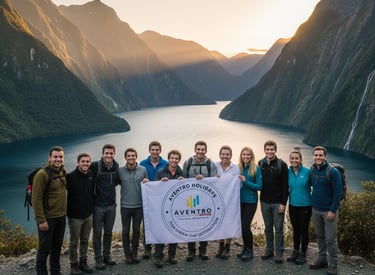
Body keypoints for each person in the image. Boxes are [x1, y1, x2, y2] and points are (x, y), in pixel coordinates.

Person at [32, 146, 67, 275]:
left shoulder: (63, 171)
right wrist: (41, 220)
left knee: (57, 247)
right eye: (55, 157)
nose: (58, 159)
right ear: (50, 158)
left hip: (61, 217)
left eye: (60, 157)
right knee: (44, 249)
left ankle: (55, 271)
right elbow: (36, 199)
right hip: (48, 218)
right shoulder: (42, 174)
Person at [182, 140, 217, 261]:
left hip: (205, 199)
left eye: (203, 149)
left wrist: (205, 179)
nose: (200, 152)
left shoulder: (210, 164)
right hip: (190, 199)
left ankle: (203, 248)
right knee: (190, 224)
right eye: (198, 149)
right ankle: (191, 250)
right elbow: (183, 180)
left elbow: (214, 182)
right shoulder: (188, 162)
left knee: (204, 224)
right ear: (195, 150)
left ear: (206, 151)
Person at [309, 146, 342, 275]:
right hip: (315, 209)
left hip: (328, 211)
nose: (318, 157)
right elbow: (310, 185)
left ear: (325, 157)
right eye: (316, 155)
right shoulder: (312, 169)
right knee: (320, 235)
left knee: (331, 239)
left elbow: (337, 193)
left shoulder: (333, 172)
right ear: (313, 156)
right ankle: (322, 258)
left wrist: (333, 210)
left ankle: (333, 264)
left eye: (320, 155)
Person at [90, 144, 120, 270]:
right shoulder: (95, 166)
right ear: (102, 154)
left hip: (111, 205)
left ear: (114, 154)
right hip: (98, 206)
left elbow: (118, 181)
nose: (109, 156)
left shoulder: (116, 166)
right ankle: (98, 259)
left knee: (108, 232)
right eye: (106, 153)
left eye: (111, 153)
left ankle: (107, 256)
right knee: (97, 234)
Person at [258, 140, 289, 263]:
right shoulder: (260, 164)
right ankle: (269, 249)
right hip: (264, 201)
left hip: (277, 203)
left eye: (272, 149)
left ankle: (279, 252)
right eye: (267, 149)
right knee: (268, 227)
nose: (269, 151)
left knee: (279, 228)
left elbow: (285, 186)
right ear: (264, 150)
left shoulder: (282, 164)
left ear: (275, 150)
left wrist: (283, 203)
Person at [153, 149, 184, 268]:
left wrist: (183, 181)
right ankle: (158, 256)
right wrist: (160, 182)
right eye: (172, 158)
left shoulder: (181, 173)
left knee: (174, 230)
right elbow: (154, 188)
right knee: (161, 231)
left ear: (179, 160)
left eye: (176, 158)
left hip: (176, 207)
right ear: (168, 159)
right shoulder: (161, 172)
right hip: (162, 206)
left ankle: (172, 255)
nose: (174, 160)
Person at [119, 148, 149, 264]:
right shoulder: (120, 171)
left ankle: (135, 253)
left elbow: (147, 184)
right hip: (125, 206)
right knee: (125, 231)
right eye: (128, 156)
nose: (131, 157)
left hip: (139, 206)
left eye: (133, 155)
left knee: (136, 231)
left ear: (136, 157)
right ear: (125, 157)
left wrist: (147, 181)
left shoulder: (143, 169)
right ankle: (127, 254)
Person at [67, 153, 95, 274]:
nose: (85, 164)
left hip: (88, 214)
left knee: (84, 240)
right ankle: (74, 265)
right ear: (78, 162)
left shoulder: (91, 174)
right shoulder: (70, 177)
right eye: (83, 161)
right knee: (74, 242)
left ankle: (83, 262)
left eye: (87, 162)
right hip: (75, 216)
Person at [139, 141, 168, 259]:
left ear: (160, 151)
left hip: (162, 200)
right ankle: (147, 249)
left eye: (157, 150)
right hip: (147, 199)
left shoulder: (165, 163)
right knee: (147, 224)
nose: (155, 152)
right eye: (153, 150)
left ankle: (159, 249)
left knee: (160, 224)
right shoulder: (142, 164)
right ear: (149, 150)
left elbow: (176, 174)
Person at [214, 145, 241, 259]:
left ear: (231, 155)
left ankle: (227, 247)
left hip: (230, 199)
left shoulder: (236, 168)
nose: (225, 156)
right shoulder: (214, 166)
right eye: (223, 154)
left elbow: (239, 184)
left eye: (227, 154)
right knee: (220, 222)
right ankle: (220, 246)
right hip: (217, 199)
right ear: (220, 155)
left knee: (229, 222)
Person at [286, 148, 311, 265]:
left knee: (303, 230)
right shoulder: (288, 171)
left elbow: (314, 184)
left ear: (301, 160)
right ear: (290, 160)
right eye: (292, 158)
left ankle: (303, 254)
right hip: (292, 205)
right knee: (296, 230)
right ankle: (295, 252)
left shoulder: (307, 171)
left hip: (305, 206)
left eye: (296, 158)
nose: (294, 160)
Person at [237, 147, 263, 261]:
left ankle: (250, 251)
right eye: (244, 155)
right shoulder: (238, 168)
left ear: (251, 156)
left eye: (248, 155)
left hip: (251, 201)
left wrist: (245, 181)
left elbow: (259, 186)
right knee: (242, 227)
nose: (246, 157)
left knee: (245, 225)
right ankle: (245, 248)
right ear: (241, 156)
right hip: (239, 201)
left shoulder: (256, 169)